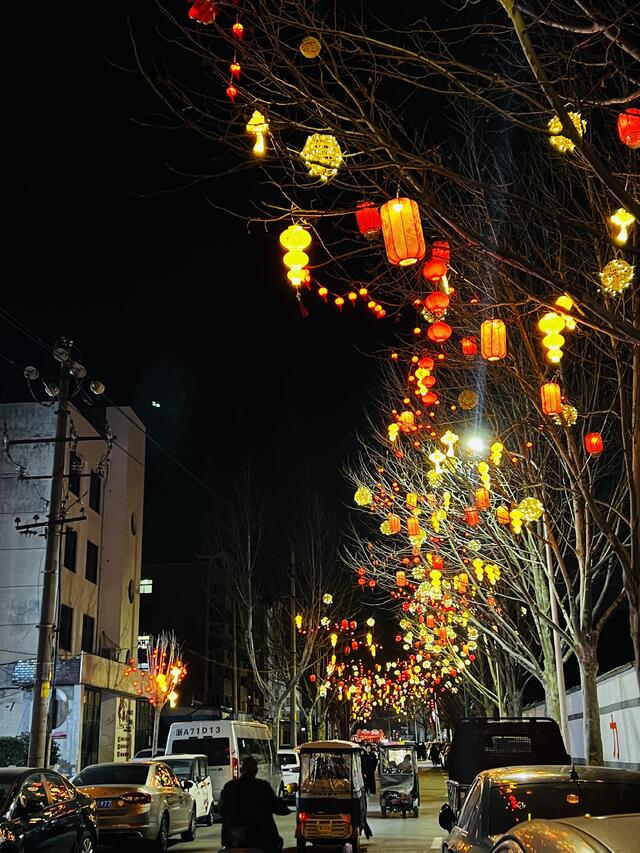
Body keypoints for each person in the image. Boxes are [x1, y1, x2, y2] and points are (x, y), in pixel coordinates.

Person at [219, 756, 289, 852]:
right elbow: (277, 807)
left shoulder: (229, 786)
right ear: (256, 771)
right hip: (261, 836)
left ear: (241, 770)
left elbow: (221, 809)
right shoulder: (263, 787)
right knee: (276, 844)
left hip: (233, 837)